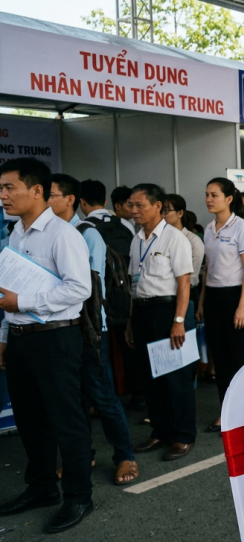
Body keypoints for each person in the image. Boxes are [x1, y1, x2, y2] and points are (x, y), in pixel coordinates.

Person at [0, 158, 94, 533]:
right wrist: (5, 337)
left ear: (36, 190)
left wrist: (21, 304)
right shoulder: (15, 234)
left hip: (56, 338)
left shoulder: (63, 234)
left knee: (66, 421)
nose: (2, 196)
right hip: (21, 339)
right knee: (30, 420)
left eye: (9, 188)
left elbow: (79, 288)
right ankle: (41, 488)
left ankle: (78, 496)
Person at [51, 174, 137, 485]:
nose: (45, 201)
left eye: (51, 195)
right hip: (58, 330)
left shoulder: (88, 234)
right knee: (73, 399)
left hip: (88, 328)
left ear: (70, 199)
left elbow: (89, 287)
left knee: (101, 395)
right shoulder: (48, 232)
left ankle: (125, 455)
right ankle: (80, 455)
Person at [124, 184, 196, 461]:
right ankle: (160, 430)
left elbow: (184, 283)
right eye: (131, 205)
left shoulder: (174, 238)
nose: (133, 211)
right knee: (150, 376)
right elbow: (134, 283)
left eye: (139, 205)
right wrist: (131, 321)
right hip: (142, 311)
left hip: (167, 311)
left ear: (157, 207)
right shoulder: (136, 239)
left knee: (175, 377)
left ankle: (183, 435)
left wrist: (178, 321)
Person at [196, 178, 244, 433]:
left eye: (214, 195)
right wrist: (201, 302)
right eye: (207, 194)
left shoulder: (242, 227)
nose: (209, 199)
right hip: (213, 297)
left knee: (240, 358)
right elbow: (207, 269)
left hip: (237, 297)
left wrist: (243, 305)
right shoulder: (210, 228)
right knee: (220, 359)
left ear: (229, 198)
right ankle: (226, 412)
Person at [79, 179, 140, 410]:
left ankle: (101, 399)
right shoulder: (125, 225)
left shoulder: (84, 229)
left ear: (81, 202)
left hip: (97, 301)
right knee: (128, 346)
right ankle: (137, 394)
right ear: (106, 201)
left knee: (100, 354)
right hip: (124, 295)